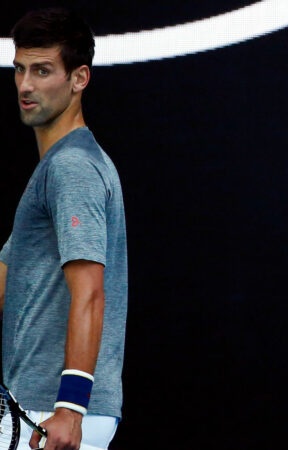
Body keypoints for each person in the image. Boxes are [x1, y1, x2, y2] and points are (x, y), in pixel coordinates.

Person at [0, 7, 128, 450]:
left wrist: (70, 408)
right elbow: (6, 282)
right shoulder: (57, 169)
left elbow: (90, 290)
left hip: (51, 413)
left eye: (42, 70)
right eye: (19, 70)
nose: (26, 85)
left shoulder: (72, 167)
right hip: (39, 408)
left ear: (79, 79)